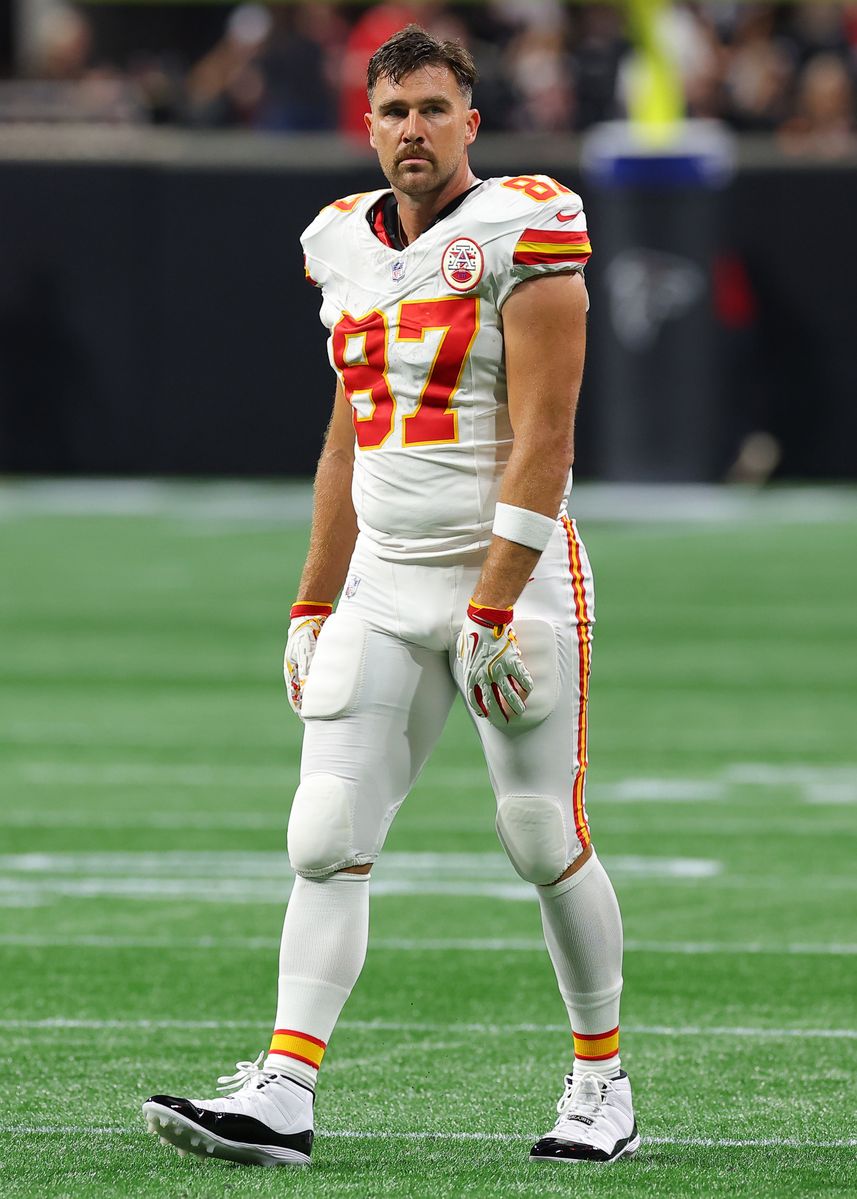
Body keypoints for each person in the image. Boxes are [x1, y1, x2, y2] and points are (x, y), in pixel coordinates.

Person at [142, 24, 637, 1168]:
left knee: (536, 833)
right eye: (391, 112)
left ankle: (600, 1080)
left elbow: (548, 436)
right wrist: (311, 601)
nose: (411, 129)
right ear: (366, 126)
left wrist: (493, 601)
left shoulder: (524, 225)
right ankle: (283, 1088)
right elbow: (343, 446)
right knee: (324, 831)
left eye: (431, 107)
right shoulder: (340, 244)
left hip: (504, 578)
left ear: (470, 119)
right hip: (382, 577)